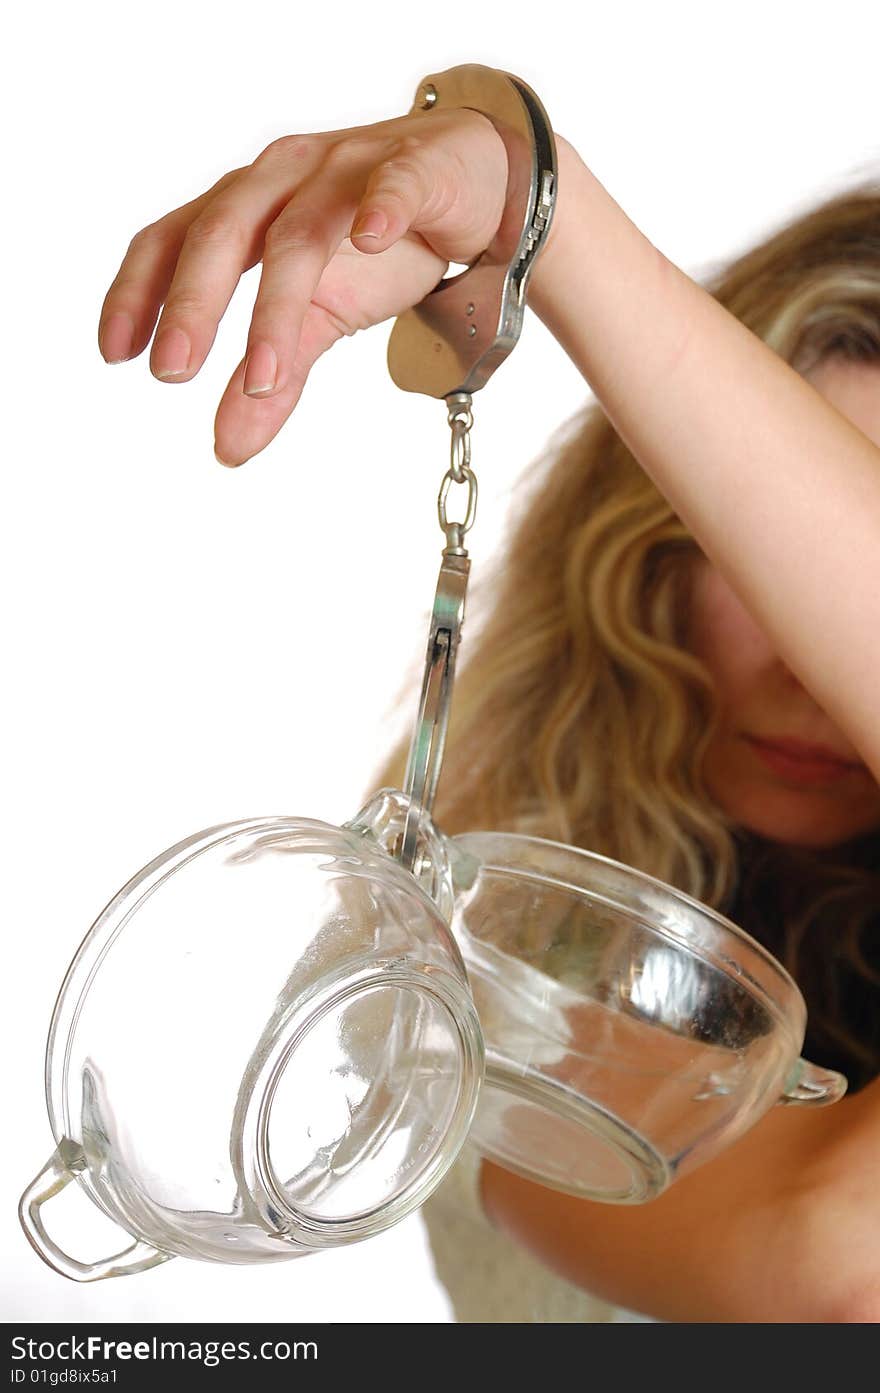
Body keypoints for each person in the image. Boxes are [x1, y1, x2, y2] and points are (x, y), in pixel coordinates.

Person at [98, 93, 880, 1324]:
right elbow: (840, 1252)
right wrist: (543, 217)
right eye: (767, 544)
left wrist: (558, 229)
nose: (808, 655)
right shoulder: (479, 993)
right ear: (648, 544)